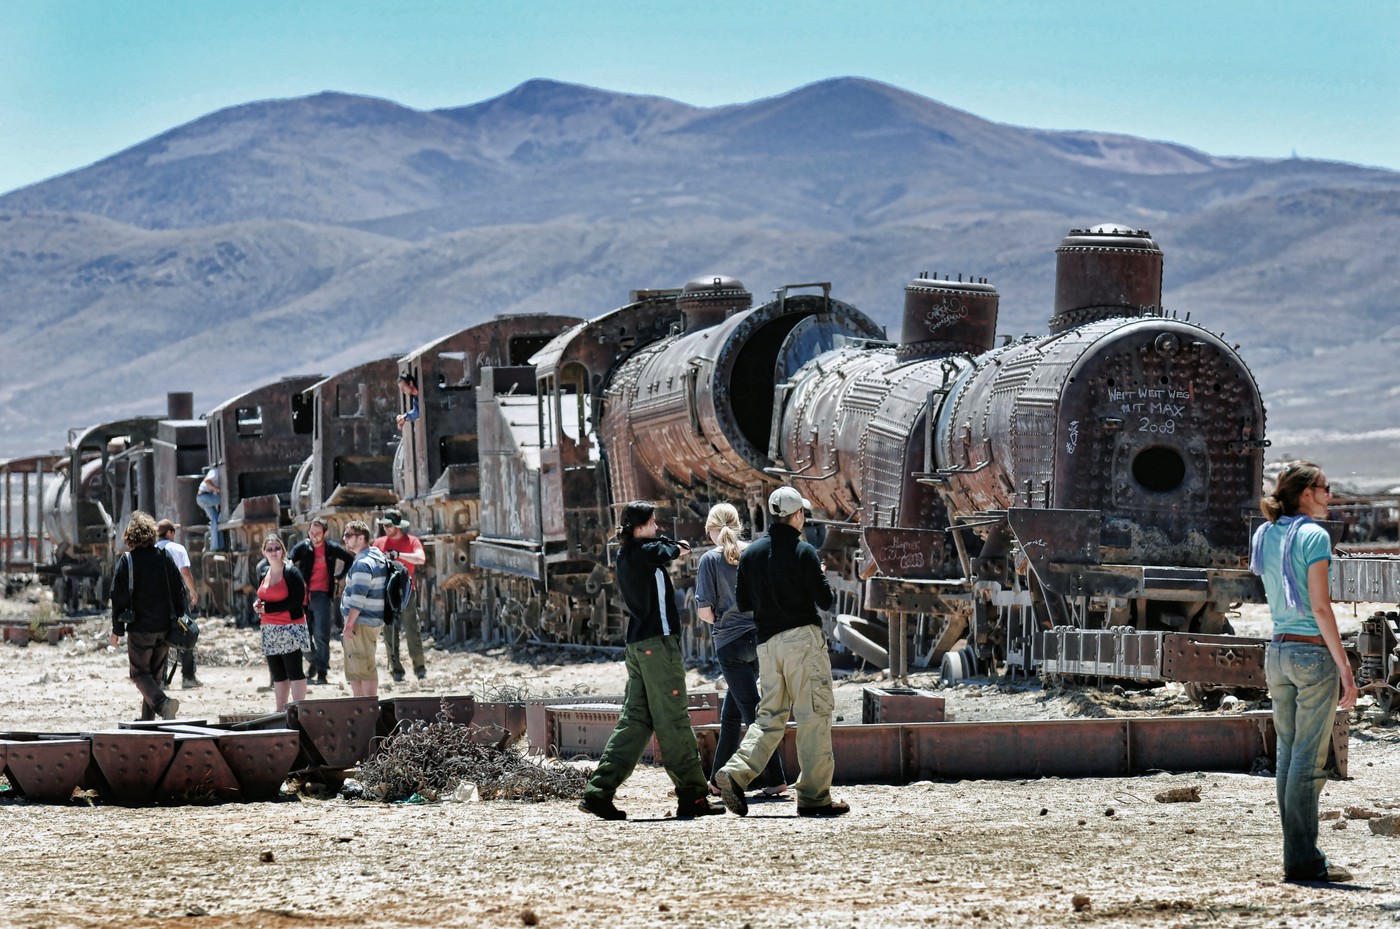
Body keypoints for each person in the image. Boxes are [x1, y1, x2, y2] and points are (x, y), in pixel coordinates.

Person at [579, 501, 721, 820]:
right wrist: (673, 543)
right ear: (641, 527)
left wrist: (662, 540)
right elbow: (676, 549)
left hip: (638, 646)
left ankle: (598, 793)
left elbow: (664, 546)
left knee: (636, 723)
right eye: (654, 523)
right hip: (658, 645)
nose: (658, 528)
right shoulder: (646, 552)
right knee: (673, 720)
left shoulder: (627, 553)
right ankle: (694, 796)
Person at [1250, 461, 1358, 883]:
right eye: (1326, 489)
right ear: (1307, 492)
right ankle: (1303, 861)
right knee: (1308, 763)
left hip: (1276, 652)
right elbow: (1319, 606)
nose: (1330, 496)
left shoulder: (1266, 534)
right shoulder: (1314, 536)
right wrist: (1345, 667)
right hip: (1312, 655)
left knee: (1287, 757)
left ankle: (1298, 854)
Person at [716, 486, 848, 817]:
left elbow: (744, 603)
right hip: (802, 641)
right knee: (813, 716)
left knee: (769, 717)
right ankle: (815, 796)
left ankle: (735, 772)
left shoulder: (751, 555)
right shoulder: (804, 551)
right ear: (797, 515)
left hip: (767, 645)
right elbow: (826, 600)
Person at [695, 502, 788, 799]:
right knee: (732, 714)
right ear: (738, 524)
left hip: (730, 646)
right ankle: (713, 781)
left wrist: (723, 619)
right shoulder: (756, 551)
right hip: (759, 642)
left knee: (752, 714)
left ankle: (777, 778)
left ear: (712, 529)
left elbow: (705, 613)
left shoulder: (709, 559)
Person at [109, 511, 186, 720]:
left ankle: (162, 704)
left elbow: (118, 597)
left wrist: (116, 631)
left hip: (140, 628)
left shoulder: (127, 561)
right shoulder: (164, 557)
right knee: (154, 676)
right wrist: (182, 620)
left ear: (130, 535)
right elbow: (180, 591)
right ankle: (147, 721)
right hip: (164, 627)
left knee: (139, 673)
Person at [289, 518, 354, 685]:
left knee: (321, 635)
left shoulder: (331, 548)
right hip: (303, 595)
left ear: (325, 533)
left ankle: (322, 671)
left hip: (322, 595)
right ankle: (313, 662)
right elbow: (289, 560)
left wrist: (339, 577)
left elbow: (350, 558)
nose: (314, 536)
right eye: (311, 533)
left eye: (318, 533)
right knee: (303, 634)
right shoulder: (304, 547)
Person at [254, 535, 310, 710]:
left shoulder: (291, 572)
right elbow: (262, 596)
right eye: (269, 549)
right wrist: (257, 604)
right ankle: (281, 710)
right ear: (264, 551)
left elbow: (298, 599)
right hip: (269, 629)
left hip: (290, 627)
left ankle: (298, 709)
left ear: (283, 550)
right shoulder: (264, 572)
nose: (273, 552)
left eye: (277, 548)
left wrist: (268, 608)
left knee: (294, 670)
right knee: (277, 673)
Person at [374, 509, 428, 682]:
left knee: (412, 629)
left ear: (397, 526)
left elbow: (420, 559)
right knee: (390, 633)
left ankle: (419, 668)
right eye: (383, 525)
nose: (386, 528)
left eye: (389, 525)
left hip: (406, 592)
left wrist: (399, 555)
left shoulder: (411, 541)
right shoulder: (379, 543)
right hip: (386, 593)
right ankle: (396, 671)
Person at [340, 519, 389, 697]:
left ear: (361, 538)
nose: (344, 538)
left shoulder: (362, 563)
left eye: (348, 535)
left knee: (362, 666)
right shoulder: (376, 556)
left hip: (361, 622)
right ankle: (364, 705)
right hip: (371, 620)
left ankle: (364, 706)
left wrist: (349, 623)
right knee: (363, 663)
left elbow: (358, 597)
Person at [155, 518, 202, 689]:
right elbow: (186, 572)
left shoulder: (152, 550)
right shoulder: (177, 548)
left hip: (158, 599)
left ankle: (161, 680)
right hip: (177, 597)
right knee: (185, 632)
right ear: (169, 533)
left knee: (160, 637)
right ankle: (188, 677)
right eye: (173, 531)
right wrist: (192, 590)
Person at [196, 466, 223, 551]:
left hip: (203, 498)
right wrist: (217, 490)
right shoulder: (215, 471)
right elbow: (207, 481)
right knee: (225, 499)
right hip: (204, 497)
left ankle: (215, 546)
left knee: (215, 520)